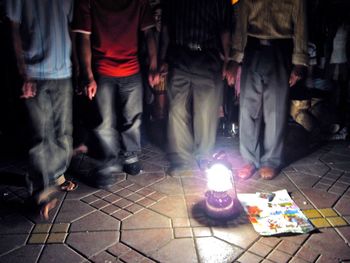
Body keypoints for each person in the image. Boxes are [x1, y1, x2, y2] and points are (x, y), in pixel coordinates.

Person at [72, 0, 159, 187]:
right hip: (102, 70)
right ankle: (109, 161)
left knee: (133, 118)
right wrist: (88, 75)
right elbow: (83, 38)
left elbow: (149, 33)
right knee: (104, 122)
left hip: (132, 69)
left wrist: (153, 67)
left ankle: (130, 155)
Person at [6, 0, 77, 219]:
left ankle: (55, 177)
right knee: (40, 137)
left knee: (64, 134)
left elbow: (69, 27)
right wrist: (24, 73)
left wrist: (78, 67)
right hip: (35, 72)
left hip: (63, 72)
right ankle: (39, 194)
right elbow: (13, 28)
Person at [228, 0, 308, 180]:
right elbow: (240, 23)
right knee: (248, 108)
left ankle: (271, 161)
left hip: (281, 50)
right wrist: (235, 58)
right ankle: (249, 160)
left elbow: (301, 25)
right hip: (253, 48)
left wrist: (299, 63)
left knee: (275, 110)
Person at [161, 0, 233, 175]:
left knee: (206, 111)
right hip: (178, 55)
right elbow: (165, 28)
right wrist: (162, 58)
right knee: (176, 110)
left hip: (208, 56)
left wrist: (228, 60)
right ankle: (182, 159)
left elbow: (225, 29)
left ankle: (204, 155)